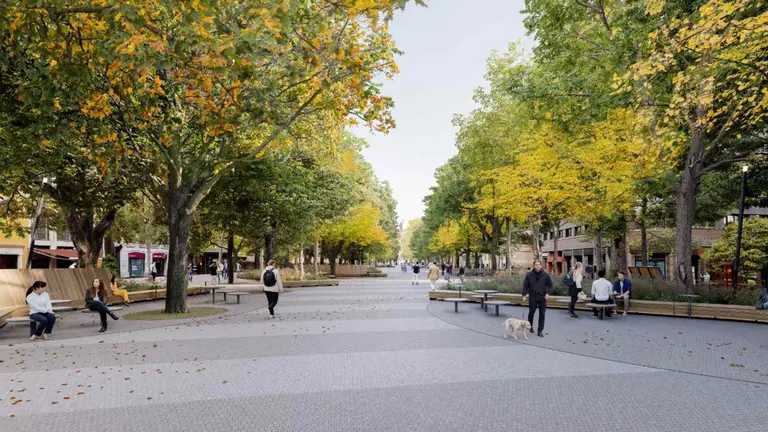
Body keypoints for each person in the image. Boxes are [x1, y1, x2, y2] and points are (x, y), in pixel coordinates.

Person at [521, 261, 553, 337]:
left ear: (541, 266)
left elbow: (550, 285)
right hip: (532, 297)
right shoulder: (529, 275)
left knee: (542, 314)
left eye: (539, 265)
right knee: (531, 313)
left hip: (542, 297)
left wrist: (548, 293)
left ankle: (540, 330)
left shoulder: (546, 275)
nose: (537, 266)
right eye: (536, 265)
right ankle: (530, 326)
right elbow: (525, 285)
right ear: (534, 266)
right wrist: (524, 295)